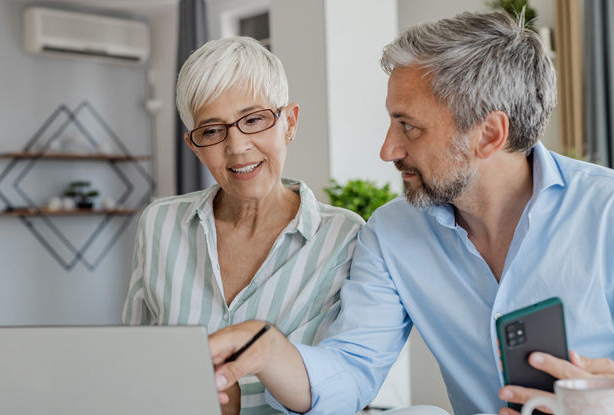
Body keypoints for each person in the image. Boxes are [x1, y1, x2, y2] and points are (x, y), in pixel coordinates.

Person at [208, 11, 614, 415]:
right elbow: (352, 369)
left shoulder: (605, 211)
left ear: (489, 135)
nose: (388, 150)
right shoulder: (392, 233)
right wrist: (268, 350)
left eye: (409, 127)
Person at [121, 36, 364, 414]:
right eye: (213, 131)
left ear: (289, 123)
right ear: (194, 146)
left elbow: (346, 387)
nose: (237, 146)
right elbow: (135, 362)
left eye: (253, 120)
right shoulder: (160, 223)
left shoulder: (344, 237)